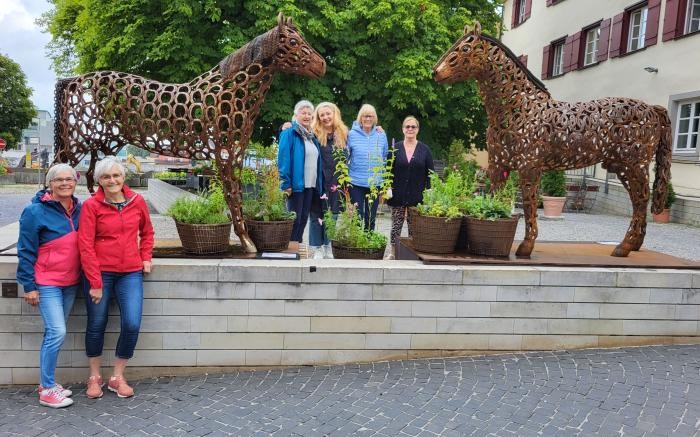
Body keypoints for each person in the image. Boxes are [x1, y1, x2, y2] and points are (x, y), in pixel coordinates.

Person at [78, 156, 154, 399]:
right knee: (96, 324)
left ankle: (117, 377)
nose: (112, 180)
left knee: (132, 323)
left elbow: (148, 231)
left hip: (130, 272)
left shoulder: (137, 201)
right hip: (99, 273)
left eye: (116, 175)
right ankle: (94, 377)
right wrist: (95, 282)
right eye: (106, 176)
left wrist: (146, 257)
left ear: (123, 178)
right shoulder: (92, 206)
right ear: (99, 180)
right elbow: (85, 245)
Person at [16, 164, 81, 408]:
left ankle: (48, 383)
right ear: (50, 184)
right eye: (59, 180)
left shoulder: (79, 208)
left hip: (71, 283)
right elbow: (25, 250)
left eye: (70, 179)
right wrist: (29, 285)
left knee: (52, 333)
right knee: (57, 332)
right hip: (47, 283)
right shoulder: (35, 211)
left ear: (76, 183)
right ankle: (46, 390)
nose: (65, 183)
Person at [386, 116, 434, 259]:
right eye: (407, 126)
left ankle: (414, 253)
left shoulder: (425, 150)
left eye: (413, 127)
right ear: (403, 129)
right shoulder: (395, 148)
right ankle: (393, 253)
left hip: (417, 195)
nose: (410, 129)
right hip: (398, 193)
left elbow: (430, 173)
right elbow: (388, 170)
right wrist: (387, 188)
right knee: (396, 225)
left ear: (418, 129)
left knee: (414, 226)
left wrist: (430, 190)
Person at [278, 100, 322, 245]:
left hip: (309, 184)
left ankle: (295, 245)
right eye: (303, 113)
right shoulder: (289, 132)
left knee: (303, 217)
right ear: (295, 115)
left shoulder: (311, 137)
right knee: (294, 218)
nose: (307, 116)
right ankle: (289, 246)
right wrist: (285, 182)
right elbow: (284, 159)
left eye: (310, 114)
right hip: (296, 185)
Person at [309, 102, 349, 259]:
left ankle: (327, 246)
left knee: (332, 215)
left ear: (335, 114)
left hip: (336, 180)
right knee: (316, 214)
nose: (325, 117)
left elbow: (363, 130)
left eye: (328, 114)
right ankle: (317, 248)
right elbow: (296, 131)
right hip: (318, 179)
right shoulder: (313, 134)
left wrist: (377, 130)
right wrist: (285, 126)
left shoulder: (344, 133)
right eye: (322, 115)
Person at [347, 104, 389, 231]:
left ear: (374, 118)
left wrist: (384, 181)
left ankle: (369, 246)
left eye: (370, 116)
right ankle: (357, 247)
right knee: (357, 217)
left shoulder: (381, 134)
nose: (368, 119)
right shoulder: (351, 134)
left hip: (374, 184)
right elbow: (346, 156)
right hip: (356, 182)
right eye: (365, 116)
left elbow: (385, 156)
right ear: (361, 118)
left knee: (370, 218)